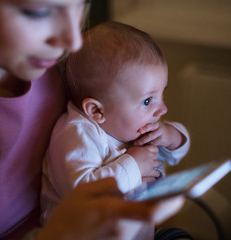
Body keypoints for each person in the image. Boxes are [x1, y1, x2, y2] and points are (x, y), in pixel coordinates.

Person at [0, 0, 185, 239]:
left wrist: (169, 140)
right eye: (39, 11)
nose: (73, 42)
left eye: (79, 4)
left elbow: (141, 147)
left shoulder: (69, 72)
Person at [41, 22, 190, 239]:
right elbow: (82, 196)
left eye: (161, 95)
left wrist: (171, 137)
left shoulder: (128, 123)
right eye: (148, 100)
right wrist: (133, 164)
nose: (162, 109)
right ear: (96, 111)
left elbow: (173, 156)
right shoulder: (75, 134)